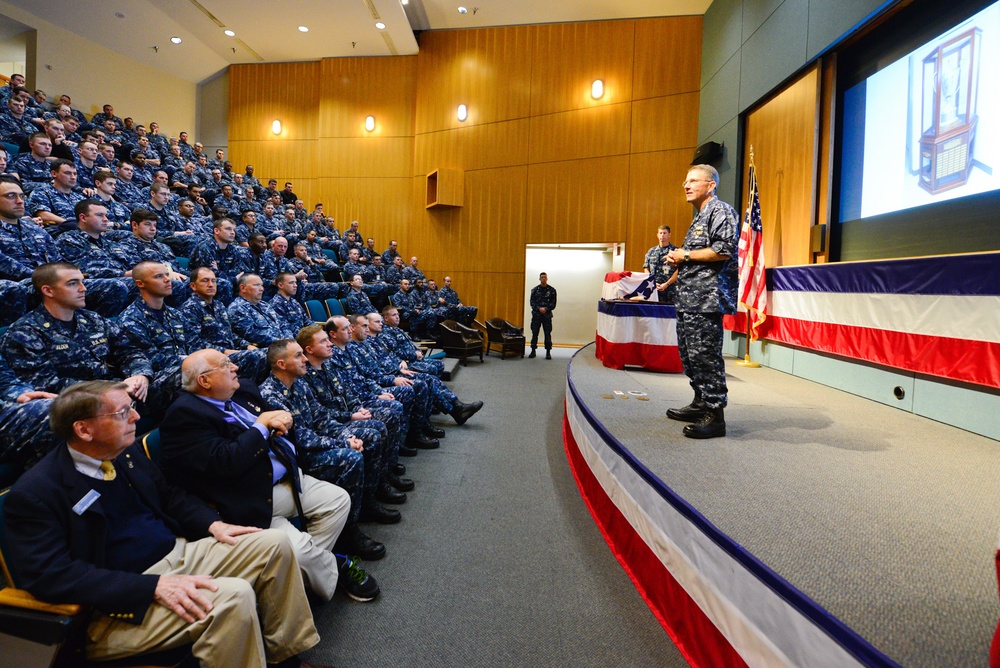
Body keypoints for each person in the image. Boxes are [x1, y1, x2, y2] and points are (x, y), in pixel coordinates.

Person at [3, 380, 326, 667]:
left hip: (175, 553)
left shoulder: (123, 452)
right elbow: (48, 575)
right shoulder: (37, 492)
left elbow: (170, 496)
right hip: (117, 602)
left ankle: (286, 657)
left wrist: (213, 525)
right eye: (121, 413)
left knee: (272, 544)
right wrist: (152, 586)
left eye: (131, 408)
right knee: (233, 597)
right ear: (84, 430)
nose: (136, 418)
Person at [158, 349, 378, 603]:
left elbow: (274, 414)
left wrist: (282, 417)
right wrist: (261, 426)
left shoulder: (242, 390)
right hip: (248, 496)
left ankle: (301, 574)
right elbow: (228, 462)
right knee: (298, 549)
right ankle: (335, 565)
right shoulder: (185, 415)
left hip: (287, 477)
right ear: (204, 381)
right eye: (225, 365)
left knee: (337, 500)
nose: (235, 368)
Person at [664, 164, 739, 439]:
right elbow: (695, 255)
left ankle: (715, 415)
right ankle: (700, 402)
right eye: (685, 180)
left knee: (705, 357)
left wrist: (684, 256)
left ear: (711, 185)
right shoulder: (699, 217)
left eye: (693, 180)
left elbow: (724, 250)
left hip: (706, 300)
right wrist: (679, 258)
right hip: (689, 299)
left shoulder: (720, 211)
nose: (686, 185)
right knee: (690, 356)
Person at [643, 224, 679, 304]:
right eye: (660, 233)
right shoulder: (651, 251)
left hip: (670, 290)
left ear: (669, 235)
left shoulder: (675, 251)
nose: (662, 235)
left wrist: (667, 284)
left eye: (665, 233)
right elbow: (646, 268)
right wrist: (652, 282)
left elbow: (679, 270)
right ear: (657, 235)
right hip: (654, 288)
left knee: (669, 314)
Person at [529, 272, 557, 359]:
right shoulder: (534, 290)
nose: (543, 279)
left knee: (547, 333)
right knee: (534, 333)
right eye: (542, 277)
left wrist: (546, 309)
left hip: (547, 316)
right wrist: (539, 309)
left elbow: (553, 304)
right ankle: (533, 350)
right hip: (536, 315)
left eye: (545, 277)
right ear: (539, 279)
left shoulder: (552, 290)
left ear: (547, 279)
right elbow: (532, 302)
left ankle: (548, 352)